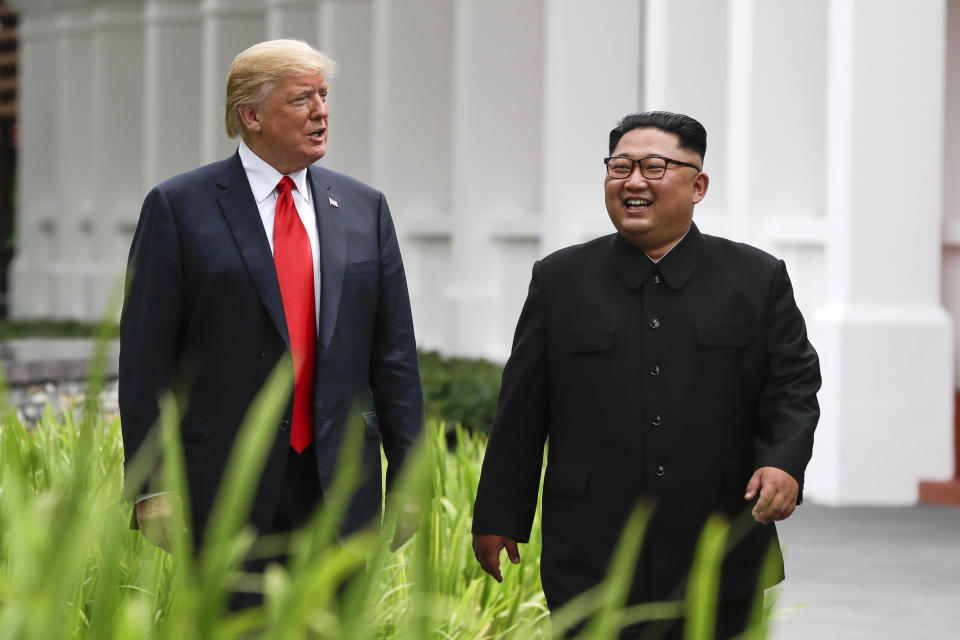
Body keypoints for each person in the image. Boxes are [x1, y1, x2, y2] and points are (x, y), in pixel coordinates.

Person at [471, 111, 820, 638]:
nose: (634, 181)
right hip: (591, 548)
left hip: (719, 540)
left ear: (698, 185)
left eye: (654, 167)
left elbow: (793, 383)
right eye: (620, 167)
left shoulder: (756, 277)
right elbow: (522, 408)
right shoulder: (560, 280)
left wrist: (784, 463)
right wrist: (499, 515)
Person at [120, 39, 423, 605]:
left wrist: (408, 479)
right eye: (302, 98)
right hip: (224, 489)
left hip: (341, 487)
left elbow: (394, 356)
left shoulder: (365, 208)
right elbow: (145, 358)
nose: (321, 111)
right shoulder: (178, 207)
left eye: (325, 96)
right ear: (251, 116)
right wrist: (151, 484)